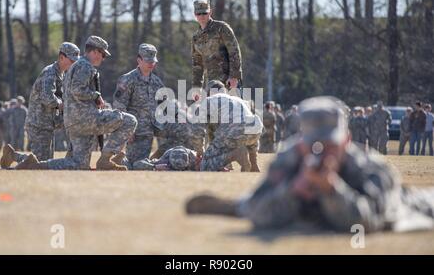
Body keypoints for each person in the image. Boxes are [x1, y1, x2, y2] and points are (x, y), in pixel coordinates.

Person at [186, 96, 434, 233]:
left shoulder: (369, 167)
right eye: (314, 143)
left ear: (347, 140)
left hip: (393, 201)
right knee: (253, 205)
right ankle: (239, 205)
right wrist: (294, 189)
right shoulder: (290, 157)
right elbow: (260, 212)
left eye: (329, 144)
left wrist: (332, 189)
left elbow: (366, 222)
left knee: (417, 206)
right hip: (299, 194)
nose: (321, 151)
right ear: (301, 140)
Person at [1, 36, 137, 170]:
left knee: (77, 164)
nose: (103, 58)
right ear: (94, 52)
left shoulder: (68, 71)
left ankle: (20, 159)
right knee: (130, 121)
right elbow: (53, 95)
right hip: (42, 122)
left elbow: (71, 93)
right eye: (102, 54)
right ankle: (106, 158)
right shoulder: (66, 70)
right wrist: (95, 95)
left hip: (62, 122)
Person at [23, 42, 80, 161]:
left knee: (44, 161)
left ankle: (12, 155)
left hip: (47, 124)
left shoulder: (62, 74)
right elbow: (47, 97)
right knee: (40, 162)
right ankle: (14, 156)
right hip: (38, 124)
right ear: (61, 57)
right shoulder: (50, 73)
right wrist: (62, 104)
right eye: (71, 60)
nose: (74, 63)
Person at [112, 43, 165, 167]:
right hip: (135, 133)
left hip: (152, 131)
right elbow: (119, 106)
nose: (151, 63)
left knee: (143, 163)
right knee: (135, 164)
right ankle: (118, 160)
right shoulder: (128, 79)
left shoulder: (157, 82)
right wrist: (128, 131)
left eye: (153, 61)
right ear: (139, 60)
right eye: (147, 60)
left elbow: (164, 106)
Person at [198, 80, 263, 172]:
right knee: (246, 128)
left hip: (233, 132)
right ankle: (253, 165)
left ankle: (236, 154)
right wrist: (254, 161)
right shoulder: (240, 100)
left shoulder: (209, 100)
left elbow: (199, 128)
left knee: (205, 166)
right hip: (255, 131)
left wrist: (199, 151)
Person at [191, 0, 242, 101]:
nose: (202, 16)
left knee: (231, 113)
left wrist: (234, 76)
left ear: (210, 12)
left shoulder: (221, 28)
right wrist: (196, 87)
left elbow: (234, 51)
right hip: (211, 84)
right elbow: (197, 64)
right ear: (195, 15)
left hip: (228, 81)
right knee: (213, 114)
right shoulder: (196, 37)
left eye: (204, 13)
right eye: (199, 13)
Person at [128, 146, 202, 171]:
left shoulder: (196, 159)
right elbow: (136, 164)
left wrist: (200, 166)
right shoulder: (164, 162)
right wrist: (154, 166)